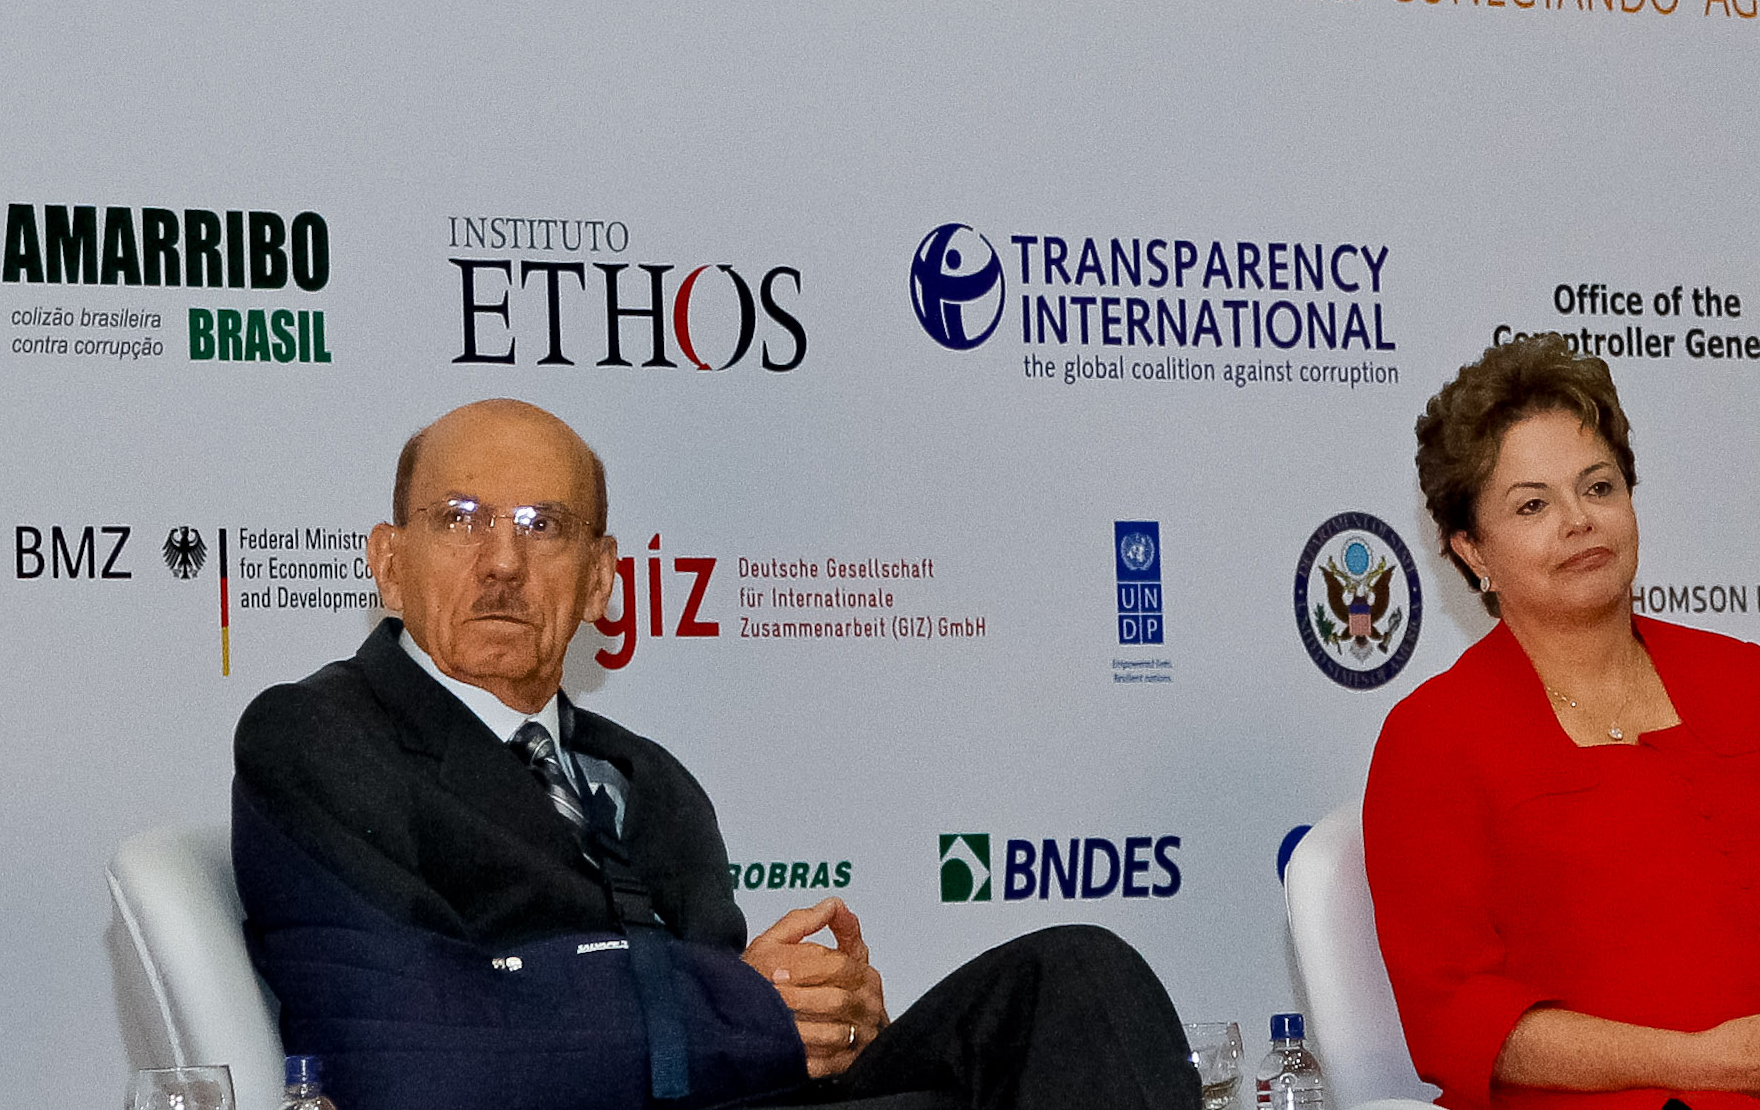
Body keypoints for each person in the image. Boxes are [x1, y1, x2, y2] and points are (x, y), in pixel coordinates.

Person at [233, 398, 1193, 1110]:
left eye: (543, 527)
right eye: (459, 518)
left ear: (603, 581)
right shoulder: (319, 738)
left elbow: (726, 1049)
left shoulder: (649, 783)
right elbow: (406, 1057)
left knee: (1071, 982)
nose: (502, 561)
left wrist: (826, 1025)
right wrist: (742, 1009)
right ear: (389, 564)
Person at [1363, 335, 1760, 1110]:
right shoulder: (1433, 737)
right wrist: (1707, 1064)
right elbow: (1459, 1014)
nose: (1578, 521)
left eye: (1598, 487)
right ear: (1470, 549)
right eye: (1532, 504)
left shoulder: (1744, 679)